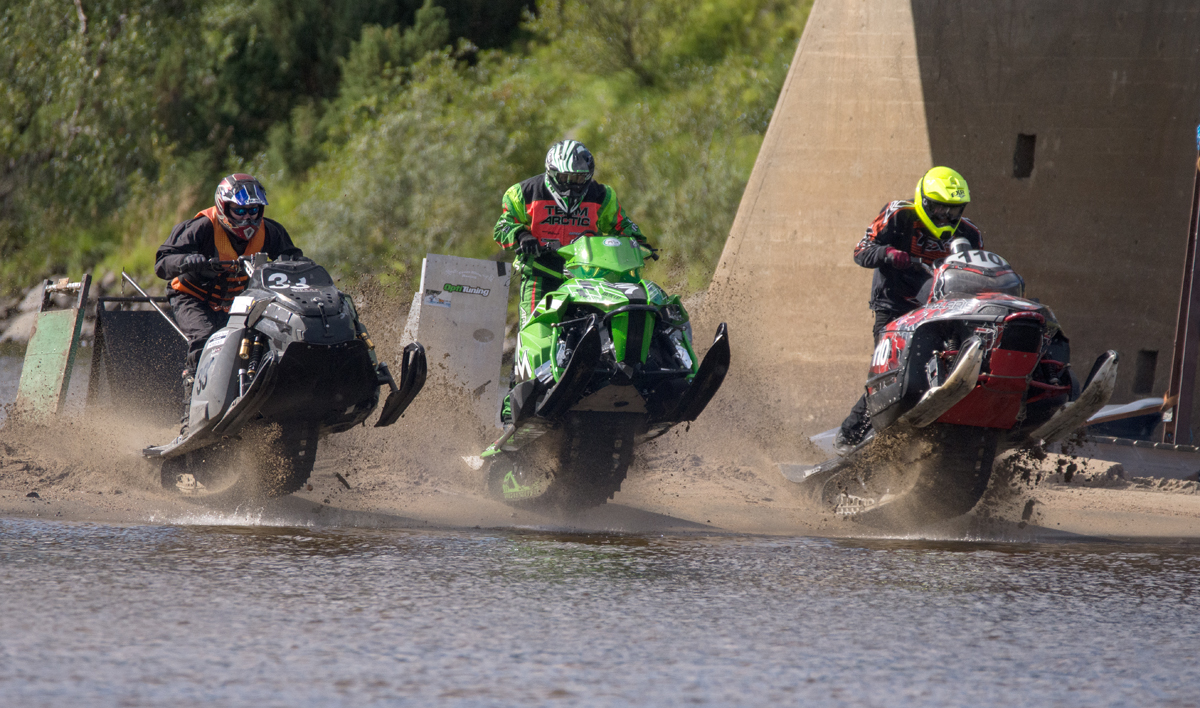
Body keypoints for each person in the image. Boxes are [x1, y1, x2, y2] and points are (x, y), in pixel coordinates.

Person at [835, 166, 984, 453]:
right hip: (894, 308)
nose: (946, 216)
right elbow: (861, 250)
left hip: (942, 311)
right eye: (939, 208)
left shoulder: (970, 233)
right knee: (895, 373)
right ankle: (849, 434)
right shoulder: (899, 214)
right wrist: (889, 254)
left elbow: (976, 272)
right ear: (924, 201)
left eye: (953, 210)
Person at [155, 174, 303, 431]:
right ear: (224, 207)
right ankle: (191, 416)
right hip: (192, 298)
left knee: (263, 339)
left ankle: (260, 406)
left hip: (237, 303)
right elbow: (162, 262)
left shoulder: (271, 232)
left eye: (253, 211)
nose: (247, 219)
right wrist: (186, 261)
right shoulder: (202, 227)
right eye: (240, 211)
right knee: (206, 341)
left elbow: (294, 261)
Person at [494, 139, 646, 329]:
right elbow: (502, 227)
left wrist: (638, 242)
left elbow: (622, 225)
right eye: (565, 177)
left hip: (588, 277)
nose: (571, 185)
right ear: (552, 173)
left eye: (578, 179)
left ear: (588, 176)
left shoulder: (602, 195)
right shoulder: (523, 193)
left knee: (600, 327)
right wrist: (522, 236)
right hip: (540, 274)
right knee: (535, 328)